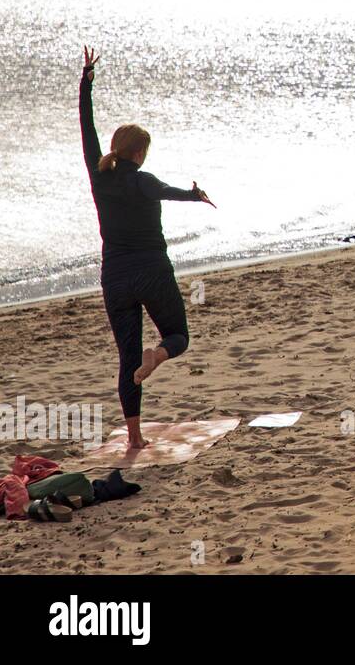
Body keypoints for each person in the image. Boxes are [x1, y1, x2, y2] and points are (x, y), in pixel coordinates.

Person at [79, 47, 215, 450]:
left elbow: (86, 128)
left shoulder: (98, 173)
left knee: (126, 356)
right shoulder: (144, 179)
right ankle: (157, 356)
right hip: (152, 270)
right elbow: (168, 193)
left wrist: (86, 81)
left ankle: (135, 438)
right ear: (139, 154)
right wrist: (194, 196)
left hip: (115, 276)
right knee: (176, 335)